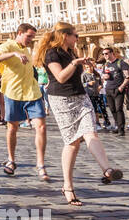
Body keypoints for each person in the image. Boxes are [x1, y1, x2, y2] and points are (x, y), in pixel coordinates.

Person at [34, 23, 122, 206]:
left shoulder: (71, 52)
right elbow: (60, 77)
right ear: (65, 36)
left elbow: (75, 75)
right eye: (75, 35)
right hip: (62, 100)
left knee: (91, 132)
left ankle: (107, 169)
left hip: (81, 97)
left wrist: (84, 64)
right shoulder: (52, 53)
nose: (77, 38)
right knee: (72, 143)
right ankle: (68, 186)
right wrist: (75, 63)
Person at [0, 24, 48, 180]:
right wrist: (15, 54)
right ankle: (11, 160)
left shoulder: (28, 50)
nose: (31, 40)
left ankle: (40, 164)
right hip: (13, 92)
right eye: (28, 36)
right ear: (20, 33)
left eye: (32, 37)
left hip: (32, 91)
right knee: (12, 127)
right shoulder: (8, 45)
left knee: (42, 127)